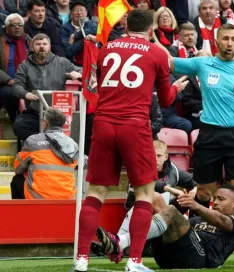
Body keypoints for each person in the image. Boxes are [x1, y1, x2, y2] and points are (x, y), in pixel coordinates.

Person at [71, 9, 185, 272]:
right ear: (152, 29)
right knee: (145, 194)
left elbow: (98, 83)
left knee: (95, 194)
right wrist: (177, 88)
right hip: (134, 125)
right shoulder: (157, 53)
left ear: (125, 25)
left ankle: (81, 260)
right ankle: (134, 262)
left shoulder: (106, 48)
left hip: (103, 123)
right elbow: (167, 100)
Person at [166, 23, 234, 265]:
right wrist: (145, 40)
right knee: (203, 192)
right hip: (210, 136)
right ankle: (193, 242)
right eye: (225, 39)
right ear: (216, 40)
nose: (230, 43)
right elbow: (169, 62)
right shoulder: (201, 64)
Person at [94, 185, 234, 269]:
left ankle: (121, 243)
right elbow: (173, 223)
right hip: (166, 258)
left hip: (200, 259)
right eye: (214, 199)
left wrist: (195, 205)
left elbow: (223, 222)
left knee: (171, 212)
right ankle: (121, 245)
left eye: (221, 199)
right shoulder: (199, 219)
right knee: (154, 197)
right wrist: (179, 200)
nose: (216, 202)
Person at [11, 108, 79, 199]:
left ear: (44, 123)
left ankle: (22, 212)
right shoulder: (73, 144)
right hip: (67, 197)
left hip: (38, 198)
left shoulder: (33, 141)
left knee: (16, 180)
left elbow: (18, 168)